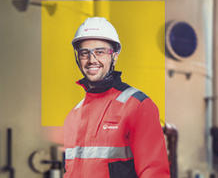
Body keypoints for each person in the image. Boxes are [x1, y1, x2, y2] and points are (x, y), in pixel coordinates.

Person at [63, 17, 170, 178]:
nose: (92, 60)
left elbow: (154, 173)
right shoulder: (74, 115)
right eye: (84, 53)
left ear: (114, 55)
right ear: (77, 57)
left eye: (100, 52)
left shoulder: (137, 106)